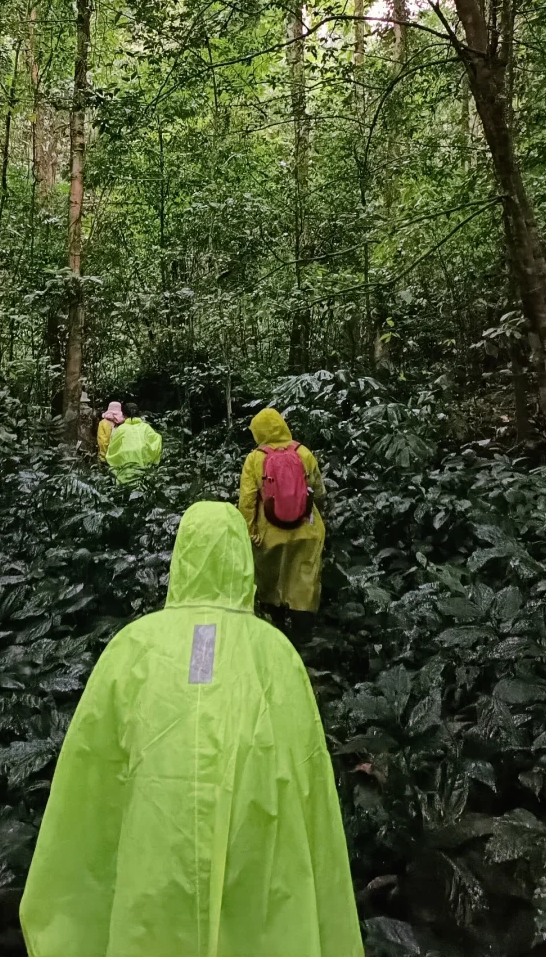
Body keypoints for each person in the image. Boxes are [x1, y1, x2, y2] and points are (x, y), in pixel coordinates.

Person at [19, 501, 362, 957]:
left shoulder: (133, 647)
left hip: (153, 868)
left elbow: (88, 783)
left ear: (181, 557)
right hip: (256, 863)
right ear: (242, 558)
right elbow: (310, 784)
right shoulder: (275, 654)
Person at [238, 406, 326, 614]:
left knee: (270, 581)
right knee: (304, 580)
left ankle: (275, 625)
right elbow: (319, 490)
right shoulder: (303, 452)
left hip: (270, 534)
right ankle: (303, 631)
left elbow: (247, 501)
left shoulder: (254, 459)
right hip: (306, 530)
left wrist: (252, 532)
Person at [104, 402, 163, 485]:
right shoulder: (146, 427)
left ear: (123, 415)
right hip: (144, 473)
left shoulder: (120, 429)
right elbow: (157, 443)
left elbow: (112, 451)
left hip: (124, 474)